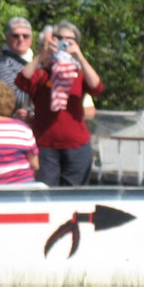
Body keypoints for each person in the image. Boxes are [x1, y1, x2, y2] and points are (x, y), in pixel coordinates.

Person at [15, 21, 103, 187]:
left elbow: (96, 87)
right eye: (59, 38)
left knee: (74, 197)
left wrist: (80, 57)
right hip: (46, 145)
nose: (64, 42)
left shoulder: (78, 72)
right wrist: (42, 54)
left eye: (69, 39)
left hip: (77, 145)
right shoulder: (43, 73)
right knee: (46, 194)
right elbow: (22, 81)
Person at [0, 16, 34, 122]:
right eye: (15, 36)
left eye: (25, 36)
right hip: (9, 127)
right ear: (7, 38)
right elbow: (16, 98)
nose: (21, 39)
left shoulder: (35, 62)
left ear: (31, 39)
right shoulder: (3, 65)